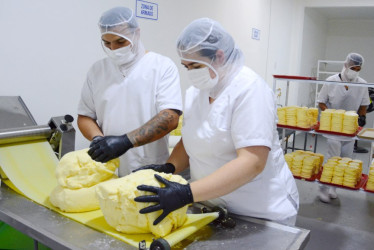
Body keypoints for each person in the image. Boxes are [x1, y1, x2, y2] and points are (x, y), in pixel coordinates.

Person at [133, 18, 299, 226]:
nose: (191, 73)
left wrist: (187, 193)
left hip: (259, 213)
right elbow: (193, 138)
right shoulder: (197, 92)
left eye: (195, 65)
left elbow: (253, 161)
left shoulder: (250, 90)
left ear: (219, 57)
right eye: (186, 66)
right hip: (211, 207)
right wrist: (170, 167)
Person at [77, 7, 183, 176]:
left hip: (148, 168)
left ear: (136, 33)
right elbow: (85, 116)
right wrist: (98, 140)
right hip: (107, 169)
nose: (113, 48)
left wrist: (126, 141)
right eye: (107, 43)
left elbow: (170, 118)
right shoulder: (97, 71)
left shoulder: (161, 66)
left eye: (120, 42)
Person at [317, 52, 369, 203]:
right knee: (332, 159)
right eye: (353, 68)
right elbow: (321, 101)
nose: (355, 72)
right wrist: (332, 116)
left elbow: (364, 104)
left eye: (358, 69)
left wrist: (362, 116)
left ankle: (334, 187)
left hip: (350, 131)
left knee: (345, 160)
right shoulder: (331, 81)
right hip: (333, 129)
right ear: (346, 65)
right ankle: (324, 188)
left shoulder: (362, 83)